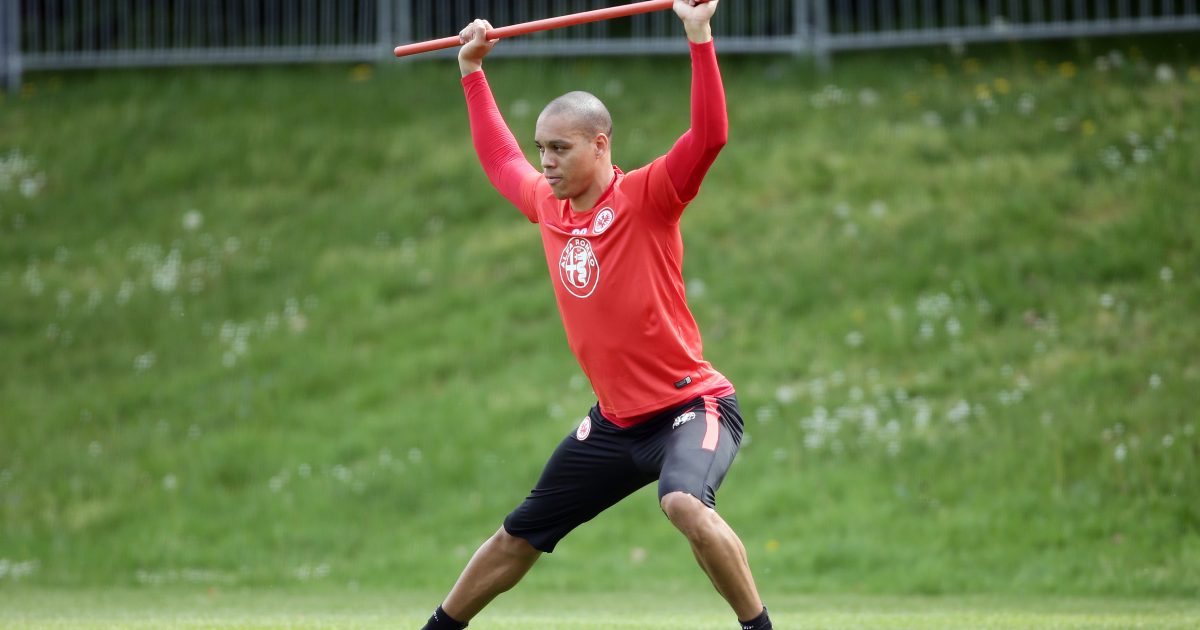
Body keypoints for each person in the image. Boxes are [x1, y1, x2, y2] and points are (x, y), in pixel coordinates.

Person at [421, 2, 772, 628]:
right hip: (616, 425)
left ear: (600, 144)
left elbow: (711, 137)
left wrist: (699, 35)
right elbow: (503, 161)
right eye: (543, 149)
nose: (546, 161)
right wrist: (471, 71)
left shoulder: (647, 197)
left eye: (560, 148)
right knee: (518, 535)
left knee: (685, 504)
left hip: (691, 407)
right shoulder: (547, 207)